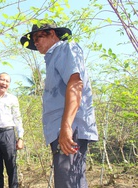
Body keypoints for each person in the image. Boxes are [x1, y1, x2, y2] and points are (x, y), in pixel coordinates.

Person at [20, 19, 98, 188]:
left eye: (38, 37)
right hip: (61, 130)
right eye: (34, 41)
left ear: (52, 34)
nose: (36, 42)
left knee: (68, 184)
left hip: (69, 129)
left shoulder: (65, 48)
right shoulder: (53, 58)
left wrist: (67, 127)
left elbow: (76, 84)